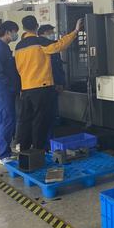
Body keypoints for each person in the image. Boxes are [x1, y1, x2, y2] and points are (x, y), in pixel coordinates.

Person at [15, 15, 83, 152]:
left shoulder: (19, 46)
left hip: (26, 88)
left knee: (26, 121)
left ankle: (24, 150)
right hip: (41, 87)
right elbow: (60, 45)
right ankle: (38, 151)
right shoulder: (40, 42)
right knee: (40, 121)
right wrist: (75, 31)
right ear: (37, 26)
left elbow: (18, 68)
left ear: (23, 28)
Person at [0, 21, 21, 164]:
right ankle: (3, 155)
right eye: (15, 32)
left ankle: (4, 151)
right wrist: (11, 85)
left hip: (5, 89)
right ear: (8, 32)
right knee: (5, 120)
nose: (16, 35)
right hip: (2, 89)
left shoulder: (4, 48)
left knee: (6, 119)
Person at [38, 24, 66, 141]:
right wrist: (59, 82)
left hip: (40, 84)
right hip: (50, 84)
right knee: (49, 113)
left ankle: (48, 139)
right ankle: (49, 139)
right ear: (43, 33)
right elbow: (55, 66)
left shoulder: (37, 45)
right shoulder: (49, 46)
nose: (52, 34)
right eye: (50, 32)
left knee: (45, 114)